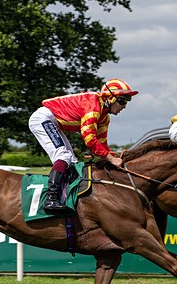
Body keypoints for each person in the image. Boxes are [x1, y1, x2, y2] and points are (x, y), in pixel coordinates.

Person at [28, 78, 138, 213]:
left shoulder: (104, 117)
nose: (124, 106)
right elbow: (90, 139)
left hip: (54, 123)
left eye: (127, 102)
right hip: (43, 119)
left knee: (72, 161)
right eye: (122, 101)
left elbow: (102, 144)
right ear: (110, 98)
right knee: (63, 156)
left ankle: (65, 196)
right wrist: (111, 159)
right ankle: (51, 199)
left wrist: (116, 155)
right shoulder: (93, 107)